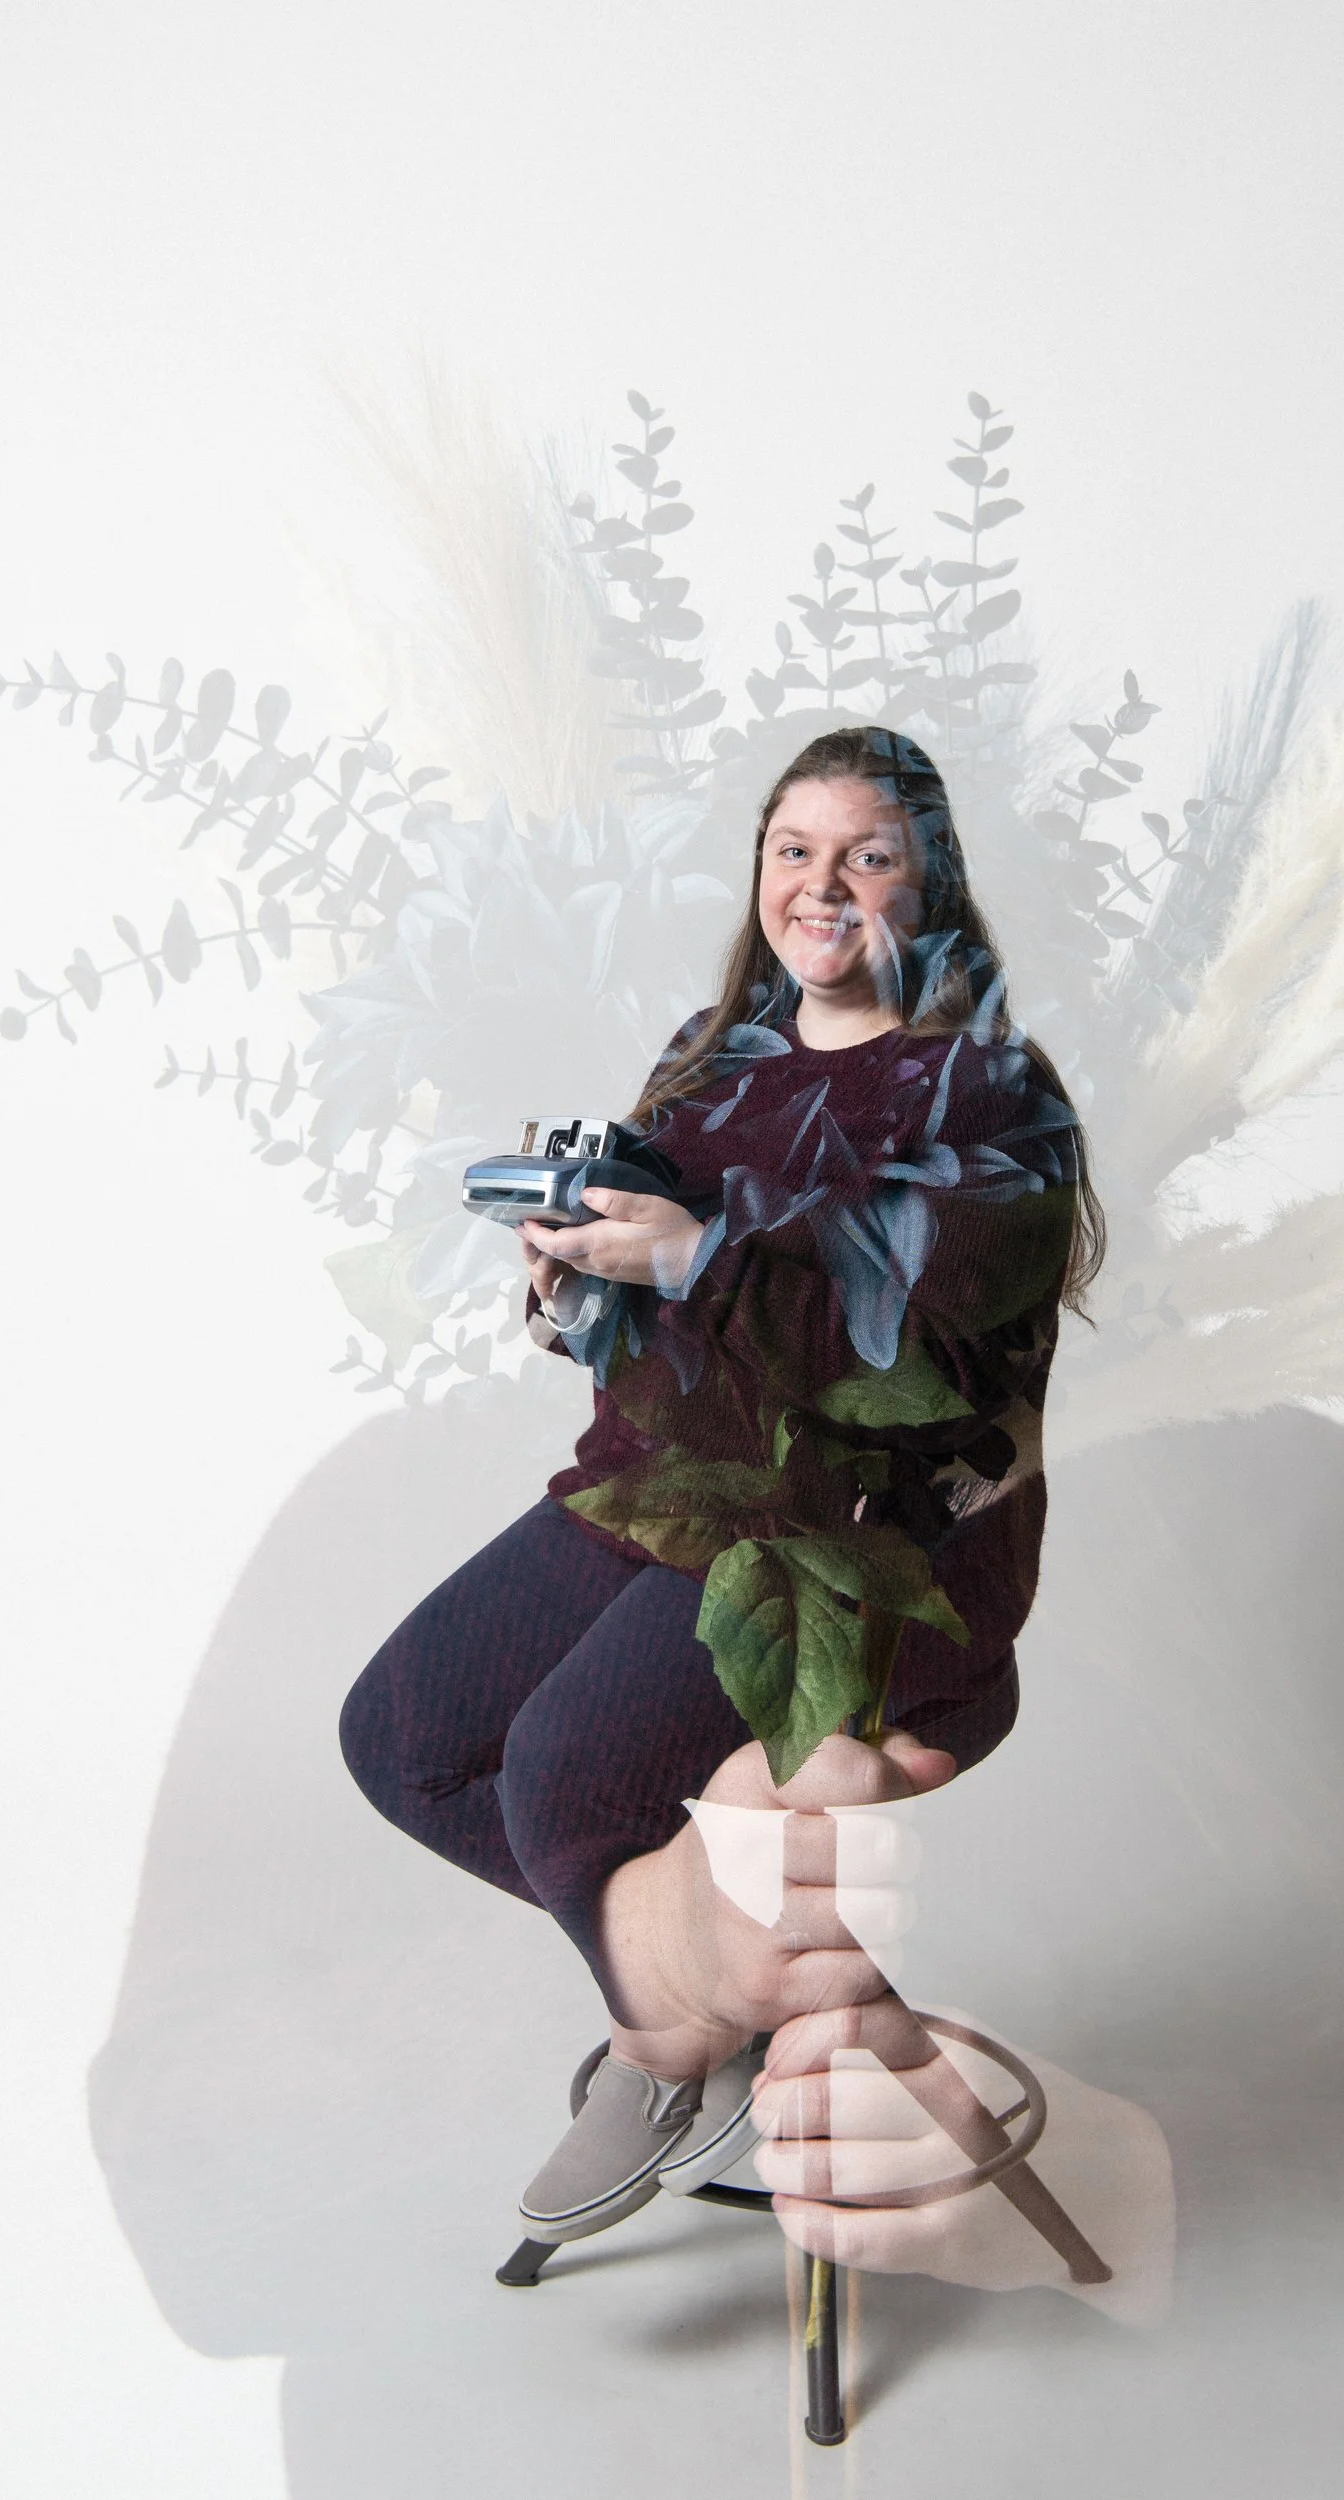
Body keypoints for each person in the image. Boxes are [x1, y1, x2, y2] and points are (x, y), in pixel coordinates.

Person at [338, 726, 1102, 2250]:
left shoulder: (991, 1095)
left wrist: (693, 1254)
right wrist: (577, 1284)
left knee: (563, 1767)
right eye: (793, 853)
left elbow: (914, 1371)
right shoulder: (715, 1056)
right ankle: (723, 1989)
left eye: (866, 856)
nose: (822, 887)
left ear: (929, 883)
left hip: (869, 1537)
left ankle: (660, 2041)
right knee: (406, 1735)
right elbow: (658, 1345)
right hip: (675, 1482)